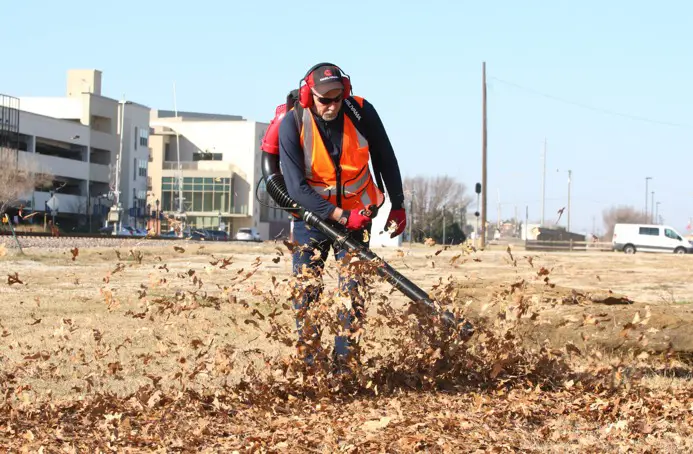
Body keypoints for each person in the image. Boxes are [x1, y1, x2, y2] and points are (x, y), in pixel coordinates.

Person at [275, 62, 407, 367]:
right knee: (307, 291)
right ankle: (311, 366)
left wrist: (397, 204)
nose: (332, 105)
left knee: (353, 292)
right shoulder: (292, 124)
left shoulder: (361, 113)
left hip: (358, 216)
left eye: (337, 98)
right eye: (324, 100)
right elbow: (294, 187)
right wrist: (340, 216)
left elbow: (385, 157)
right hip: (312, 220)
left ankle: (345, 366)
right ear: (309, 97)